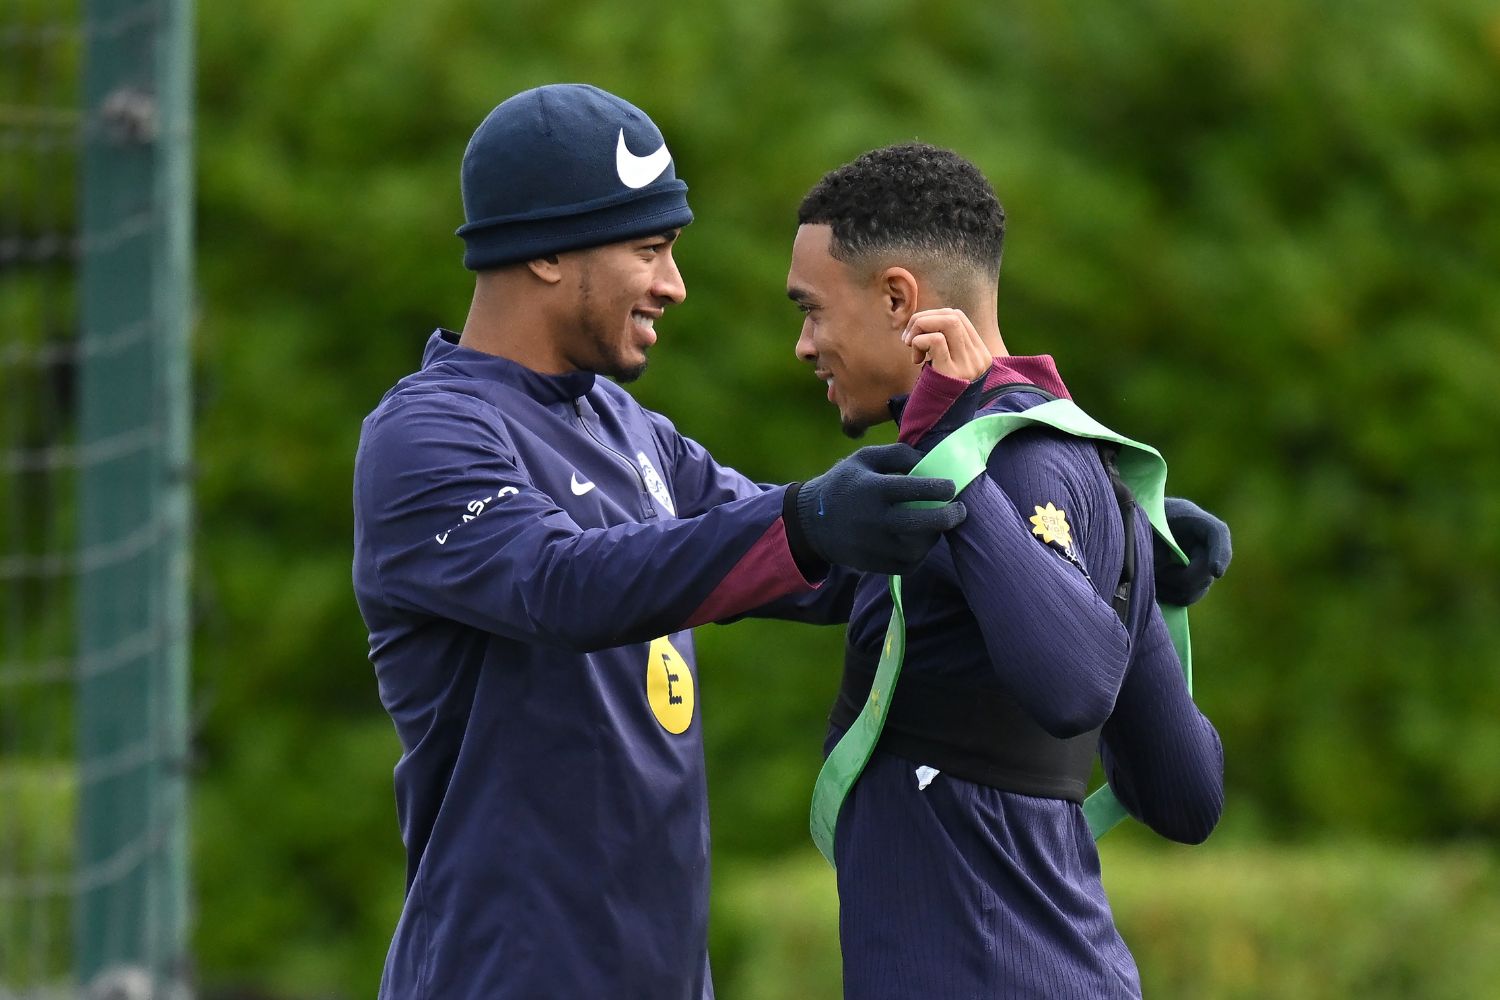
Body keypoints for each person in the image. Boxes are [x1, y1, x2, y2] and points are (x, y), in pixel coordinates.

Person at [351, 85, 968, 999]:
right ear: (548, 252)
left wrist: (1088, 526)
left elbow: (829, 562)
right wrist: (806, 521)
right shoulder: (429, 435)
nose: (675, 285)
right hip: (504, 978)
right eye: (649, 250)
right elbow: (558, 585)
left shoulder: (632, 430)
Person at [785, 143, 1227, 998]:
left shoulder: (988, 470)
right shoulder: (1097, 473)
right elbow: (1185, 793)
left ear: (899, 300)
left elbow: (1074, 691)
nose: (804, 345)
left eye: (811, 310)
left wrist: (951, 457)